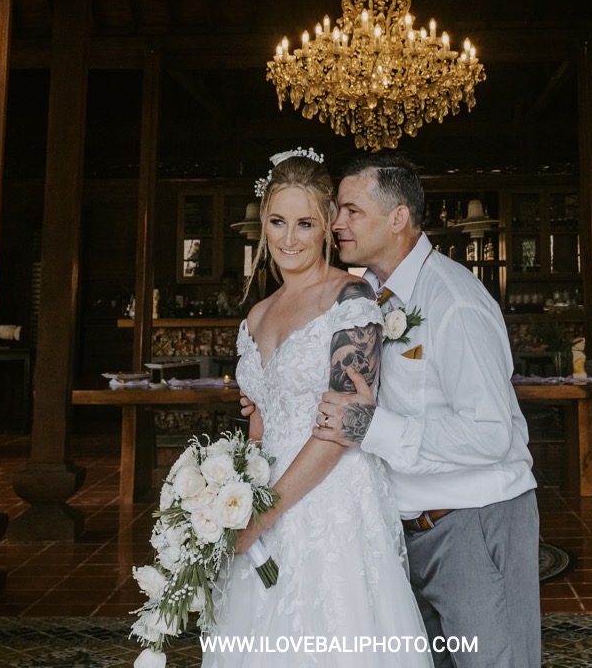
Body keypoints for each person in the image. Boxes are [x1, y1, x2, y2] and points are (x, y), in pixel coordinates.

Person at [314, 153, 542, 668]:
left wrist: (373, 428)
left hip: (473, 521)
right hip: (402, 530)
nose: (337, 223)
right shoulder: (368, 298)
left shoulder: (453, 299)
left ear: (398, 218)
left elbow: (490, 433)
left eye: (351, 210)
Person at [205, 149, 429, 667]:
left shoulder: (350, 299)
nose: (289, 238)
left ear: (328, 223)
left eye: (304, 223)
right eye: (278, 222)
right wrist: (231, 498)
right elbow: (261, 425)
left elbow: (342, 428)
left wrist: (260, 517)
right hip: (264, 498)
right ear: (263, 224)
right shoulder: (257, 316)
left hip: (330, 501)